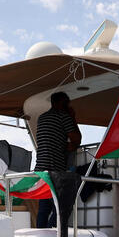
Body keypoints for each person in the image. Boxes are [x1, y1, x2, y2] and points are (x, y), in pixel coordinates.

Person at [33, 91, 81, 228]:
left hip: (41, 169)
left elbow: (51, 139)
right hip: (55, 170)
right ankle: (52, 234)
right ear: (60, 103)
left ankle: (42, 235)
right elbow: (77, 140)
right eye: (66, 103)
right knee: (59, 207)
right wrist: (73, 118)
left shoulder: (42, 118)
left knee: (44, 208)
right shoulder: (64, 117)